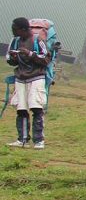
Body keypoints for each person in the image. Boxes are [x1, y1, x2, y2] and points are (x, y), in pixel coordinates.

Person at [6, 17, 51, 149]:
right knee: (21, 110)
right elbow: (9, 60)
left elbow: (46, 59)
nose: (13, 31)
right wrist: (13, 58)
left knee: (36, 108)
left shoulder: (37, 40)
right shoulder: (15, 41)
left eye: (15, 29)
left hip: (36, 77)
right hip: (20, 78)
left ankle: (39, 140)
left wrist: (30, 54)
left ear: (23, 29)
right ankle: (23, 139)